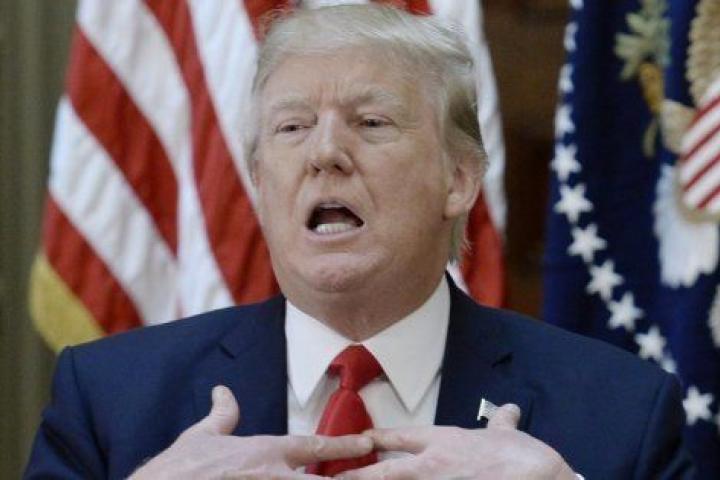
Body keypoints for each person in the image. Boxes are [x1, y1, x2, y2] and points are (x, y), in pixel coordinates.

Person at [25, 5, 693, 479]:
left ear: (459, 179)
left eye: (371, 122)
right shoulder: (111, 400)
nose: (324, 153)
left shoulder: (619, 411)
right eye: (292, 127)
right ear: (259, 183)